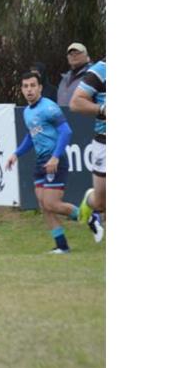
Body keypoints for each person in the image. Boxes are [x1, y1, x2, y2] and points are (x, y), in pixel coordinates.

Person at [5, 70, 94, 253]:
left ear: (40, 88)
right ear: (22, 89)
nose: (29, 90)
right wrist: (16, 153)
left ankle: (90, 217)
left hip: (55, 160)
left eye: (32, 86)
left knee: (52, 203)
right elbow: (31, 136)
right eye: (25, 86)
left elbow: (66, 131)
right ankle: (62, 246)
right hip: (40, 162)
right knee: (44, 205)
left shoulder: (49, 107)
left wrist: (55, 156)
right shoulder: (28, 112)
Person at [70, 59, 106, 243]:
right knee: (101, 202)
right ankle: (90, 202)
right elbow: (75, 102)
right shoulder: (101, 70)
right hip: (105, 142)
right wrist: (102, 108)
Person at [57, 43, 92, 107]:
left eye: (77, 53)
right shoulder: (64, 78)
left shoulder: (92, 75)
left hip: (86, 116)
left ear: (86, 55)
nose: (74, 56)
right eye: (71, 54)